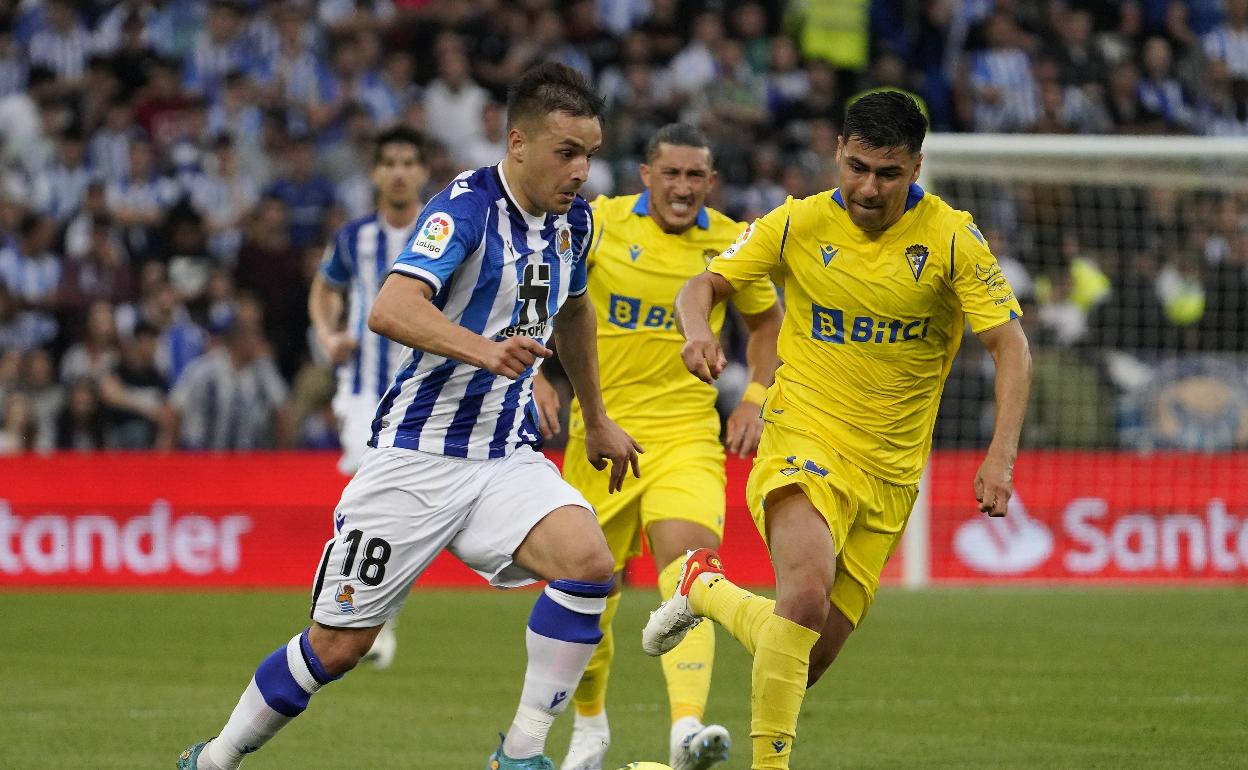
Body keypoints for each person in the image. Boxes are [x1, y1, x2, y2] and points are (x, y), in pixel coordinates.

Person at [177, 62, 642, 770]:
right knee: (339, 645)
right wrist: (484, 351)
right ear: (517, 143)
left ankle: (518, 755)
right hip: (416, 460)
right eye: (567, 153)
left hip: (502, 456)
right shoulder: (464, 210)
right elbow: (390, 308)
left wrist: (597, 417)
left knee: (588, 565)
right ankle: (214, 759)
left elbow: (575, 308)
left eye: (590, 154)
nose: (582, 171)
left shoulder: (573, 221)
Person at [642, 91, 1032, 770]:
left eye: (887, 173)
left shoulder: (950, 237)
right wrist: (699, 332)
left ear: (915, 166)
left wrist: (1001, 457)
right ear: (837, 154)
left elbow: (1011, 347)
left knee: (803, 657)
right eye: (855, 167)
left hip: (890, 474)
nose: (867, 187)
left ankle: (702, 587)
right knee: (803, 593)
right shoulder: (796, 223)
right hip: (804, 438)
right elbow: (700, 287)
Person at [552, 123, 782, 770]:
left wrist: (754, 401)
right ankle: (590, 728)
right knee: (584, 590)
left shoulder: (731, 240)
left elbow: (766, 323)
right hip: (600, 434)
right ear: (645, 176)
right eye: (671, 174)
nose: (683, 188)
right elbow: (552, 306)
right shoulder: (598, 223)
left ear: (710, 183)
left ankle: (687, 729)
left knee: (691, 567)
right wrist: (539, 383)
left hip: (686, 433)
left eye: (695, 177)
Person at [307, 124, 429, 669]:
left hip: (426, 390)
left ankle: (369, 613)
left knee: (396, 505)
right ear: (376, 173)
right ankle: (355, 613)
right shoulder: (354, 237)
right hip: (361, 389)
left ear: (423, 171)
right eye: (391, 162)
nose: (400, 172)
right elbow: (325, 286)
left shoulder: (442, 230)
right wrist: (328, 335)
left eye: (409, 162)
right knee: (367, 492)